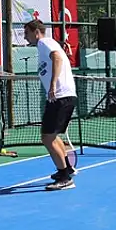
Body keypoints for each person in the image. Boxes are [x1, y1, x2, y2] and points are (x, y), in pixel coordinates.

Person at [22, 19, 78, 191]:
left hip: (60, 96)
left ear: (36, 32)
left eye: (26, 33)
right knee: (51, 136)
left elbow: (57, 58)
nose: (25, 37)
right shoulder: (43, 46)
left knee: (47, 137)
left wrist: (53, 85)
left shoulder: (45, 42)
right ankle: (67, 168)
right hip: (60, 97)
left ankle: (65, 177)